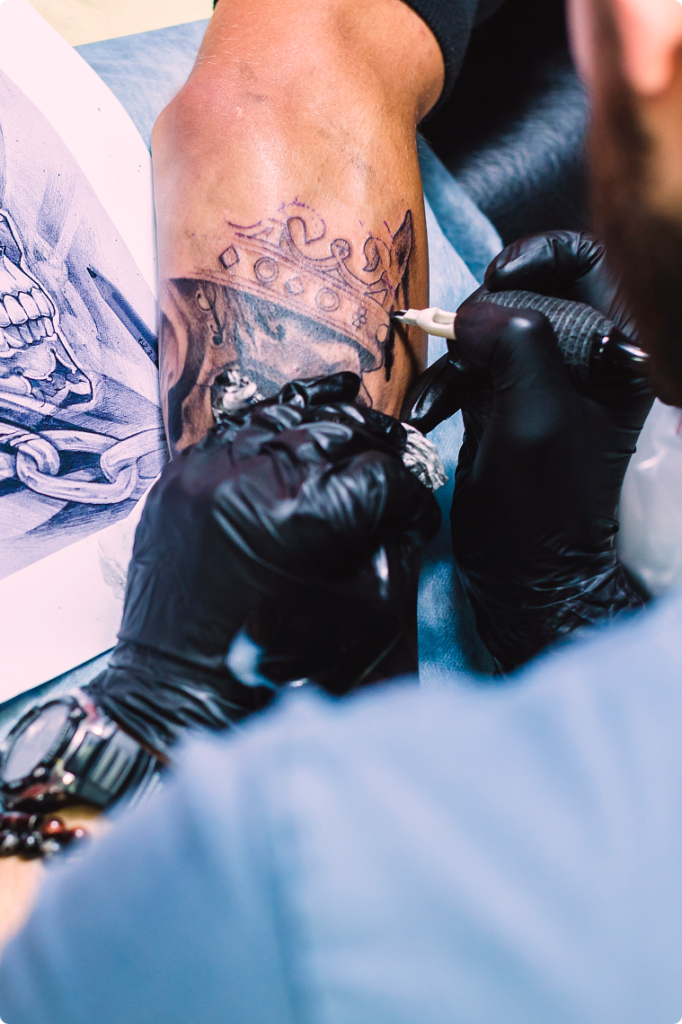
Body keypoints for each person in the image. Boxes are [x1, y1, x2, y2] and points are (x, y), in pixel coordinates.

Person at [2, 0, 682, 1017]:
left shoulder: (317, 884)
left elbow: (46, 970)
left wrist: (131, 733)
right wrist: (579, 615)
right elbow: (298, 66)